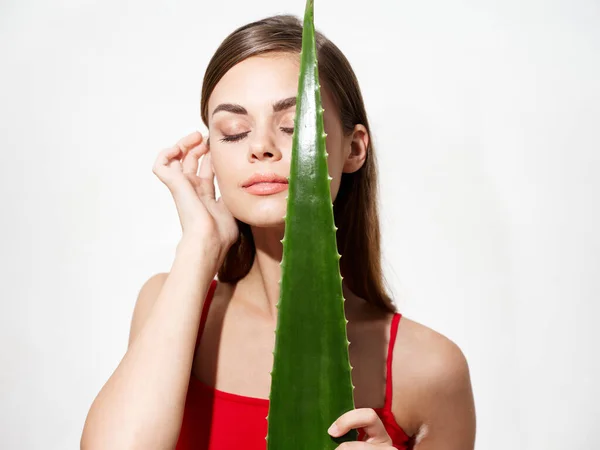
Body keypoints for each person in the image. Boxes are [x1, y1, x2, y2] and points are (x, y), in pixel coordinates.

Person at [81, 14, 476, 450]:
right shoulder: (168, 302)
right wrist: (200, 244)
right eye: (233, 132)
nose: (261, 146)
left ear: (354, 148)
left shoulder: (430, 367)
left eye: (293, 126)